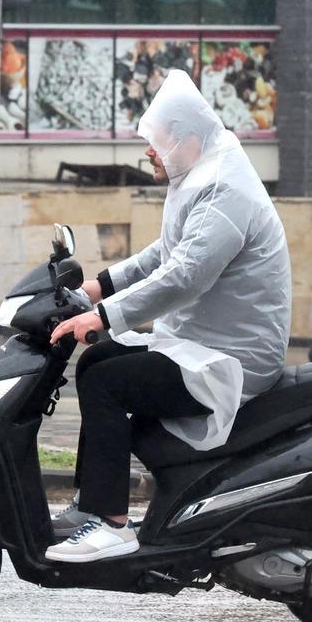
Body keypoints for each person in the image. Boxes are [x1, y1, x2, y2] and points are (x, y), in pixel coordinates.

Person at [44, 70, 292, 563]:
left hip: (231, 361)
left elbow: (185, 277)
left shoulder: (223, 190)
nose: (150, 152)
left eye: (158, 142)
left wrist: (104, 317)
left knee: (106, 383)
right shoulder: (201, 175)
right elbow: (166, 253)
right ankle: (90, 504)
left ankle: (112, 525)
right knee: (96, 364)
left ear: (189, 140)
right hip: (200, 343)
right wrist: (98, 287)